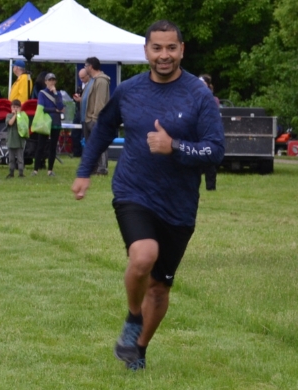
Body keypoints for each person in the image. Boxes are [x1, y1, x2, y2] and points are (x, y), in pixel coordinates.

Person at [71, 20, 224, 371]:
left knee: (159, 287)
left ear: (182, 50)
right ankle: (132, 315)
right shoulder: (130, 90)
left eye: (171, 48)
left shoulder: (199, 96)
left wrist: (175, 146)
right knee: (143, 256)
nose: (164, 55)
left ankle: (138, 349)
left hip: (179, 204)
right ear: (146, 52)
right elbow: (104, 129)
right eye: (157, 48)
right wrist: (84, 172)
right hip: (133, 190)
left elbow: (215, 151)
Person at [84, 56, 112, 175]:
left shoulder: (101, 80)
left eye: (85, 66)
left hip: (95, 119)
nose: (85, 68)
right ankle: (95, 167)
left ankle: (102, 168)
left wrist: (95, 119)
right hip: (89, 118)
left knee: (99, 144)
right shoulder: (93, 80)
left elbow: (100, 102)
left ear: (90, 66)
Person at [33, 73, 64, 176]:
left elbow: (60, 106)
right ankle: (35, 169)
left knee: (53, 146)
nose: (51, 82)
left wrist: (55, 93)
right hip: (45, 122)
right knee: (40, 146)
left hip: (56, 122)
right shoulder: (42, 93)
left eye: (53, 80)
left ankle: (50, 170)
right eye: (49, 80)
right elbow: (42, 107)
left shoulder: (58, 94)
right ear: (45, 82)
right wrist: (54, 109)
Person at [198, 74, 219, 191]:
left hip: (209, 131)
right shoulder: (194, 96)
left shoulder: (213, 99)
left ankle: (211, 186)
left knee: (209, 160)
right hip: (197, 131)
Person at [4, 99, 28, 177]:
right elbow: (10, 123)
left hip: (20, 141)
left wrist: (19, 115)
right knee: (11, 158)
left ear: (20, 108)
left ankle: (21, 172)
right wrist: (15, 115)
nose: (15, 109)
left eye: (17, 107)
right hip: (11, 140)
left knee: (20, 158)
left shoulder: (22, 116)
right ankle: (11, 172)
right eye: (14, 107)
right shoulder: (9, 116)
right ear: (11, 108)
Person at [71, 68, 90, 157]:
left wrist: (81, 100)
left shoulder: (91, 86)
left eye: (83, 78)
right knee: (75, 132)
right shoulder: (79, 86)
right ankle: (76, 152)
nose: (81, 80)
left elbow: (90, 100)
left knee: (84, 133)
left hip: (87, 112)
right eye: (80, 78)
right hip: (79, 111)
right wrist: (76, 98)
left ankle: (84, 152)